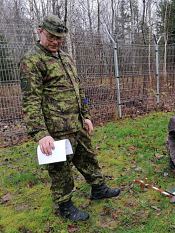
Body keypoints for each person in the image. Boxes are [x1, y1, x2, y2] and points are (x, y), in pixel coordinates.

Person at [20, 15, 120, 221]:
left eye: (60, 38)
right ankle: (64, 205)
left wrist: (86, 116)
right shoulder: (32, 60)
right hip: (55, 129)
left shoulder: (65, 57)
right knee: (60, 170)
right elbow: (30, 100)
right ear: (40, 31)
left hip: (76, 123)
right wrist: (41, 134)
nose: (56, 41)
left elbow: (78, 88)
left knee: (88, 157)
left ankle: (98, 189)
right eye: (51, 36)